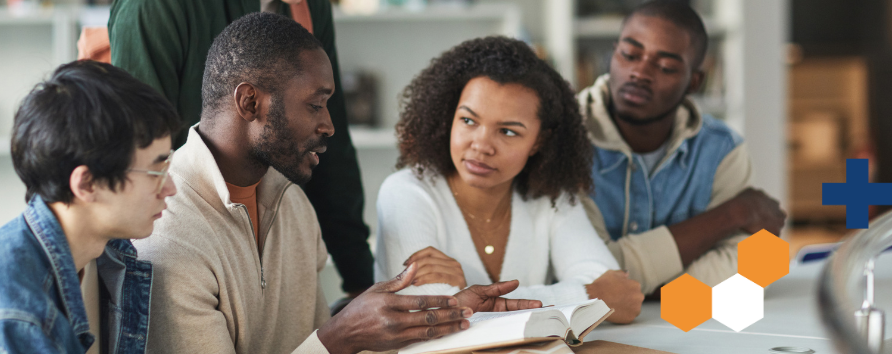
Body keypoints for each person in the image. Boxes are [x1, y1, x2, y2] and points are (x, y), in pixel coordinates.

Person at [135, 13, 541, 354]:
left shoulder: (290, 200)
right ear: (249, 102)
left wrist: (444, 312)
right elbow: (323, 345)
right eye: (315, 105)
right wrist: (339, 336)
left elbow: (306, 343)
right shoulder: (167, 235)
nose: (328, 125)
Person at [108, 0, 374, 300]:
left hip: (267, 225)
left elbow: (330, 143)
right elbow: (140, 155)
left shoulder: (310, 6)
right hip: (183, 231)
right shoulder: (153, 8)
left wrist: (361, 281)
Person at [374, 36, 644, 324]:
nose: (481, 145)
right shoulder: (406, 192)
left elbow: (620, 298)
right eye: (468, 120)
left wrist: (470, 293)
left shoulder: (549, 197)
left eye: (508, 132)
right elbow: (435, 317)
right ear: (448, 115)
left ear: (539, 141)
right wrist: (584, 294)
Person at [0, 60, 181, 353]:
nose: (171, 188)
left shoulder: (109, 255)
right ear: (87, 184)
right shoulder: (16, 318)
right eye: (156, 173)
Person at [578, 1, 787, 296]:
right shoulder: (564, 137)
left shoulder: (721, 148)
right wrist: (732, 214)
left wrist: (651, 291)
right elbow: (595, 275)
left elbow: (756, 256)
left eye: (665, 67)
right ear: (613, 54)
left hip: (681, 321)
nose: (640, 72)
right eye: (629, 54)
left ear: (694, 81)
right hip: (590, 331)